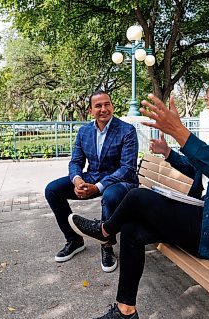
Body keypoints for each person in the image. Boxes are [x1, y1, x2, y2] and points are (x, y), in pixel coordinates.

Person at [67, 66, 209, 319]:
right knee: (132, 230)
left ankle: (105, 230)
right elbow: (201, 170)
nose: (206, 96)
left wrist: (180, 132)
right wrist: (170, 153)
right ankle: (125, 312)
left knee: (138, 197)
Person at [44, 90, 139, 273]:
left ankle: (107, 246)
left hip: (122, 181)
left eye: (107, 104)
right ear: (90, 110)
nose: (104, 109)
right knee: (52, 190)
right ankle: (74, 240)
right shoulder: (84, 131)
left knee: (110, 195)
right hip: (92, 176)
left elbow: (127, 168)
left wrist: (98, 187)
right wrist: (78, 179)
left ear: (112, 106)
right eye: (98, 106)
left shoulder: (127, 130)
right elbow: (76, 161)